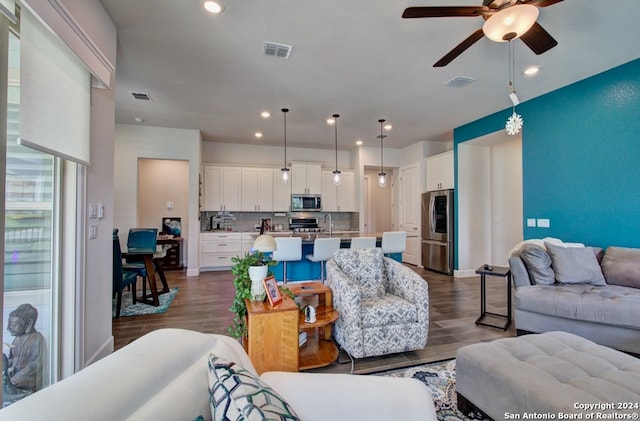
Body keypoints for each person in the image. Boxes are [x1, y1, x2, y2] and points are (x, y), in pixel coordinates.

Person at [3, 303, 46, 400]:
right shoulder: (17, 339)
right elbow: (13, 359)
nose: (8, 328)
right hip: (13, 381)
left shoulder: (36, 339)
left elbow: (34, 366)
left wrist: (13, 380)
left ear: (28, 323)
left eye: (13, 324)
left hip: (27, 385)